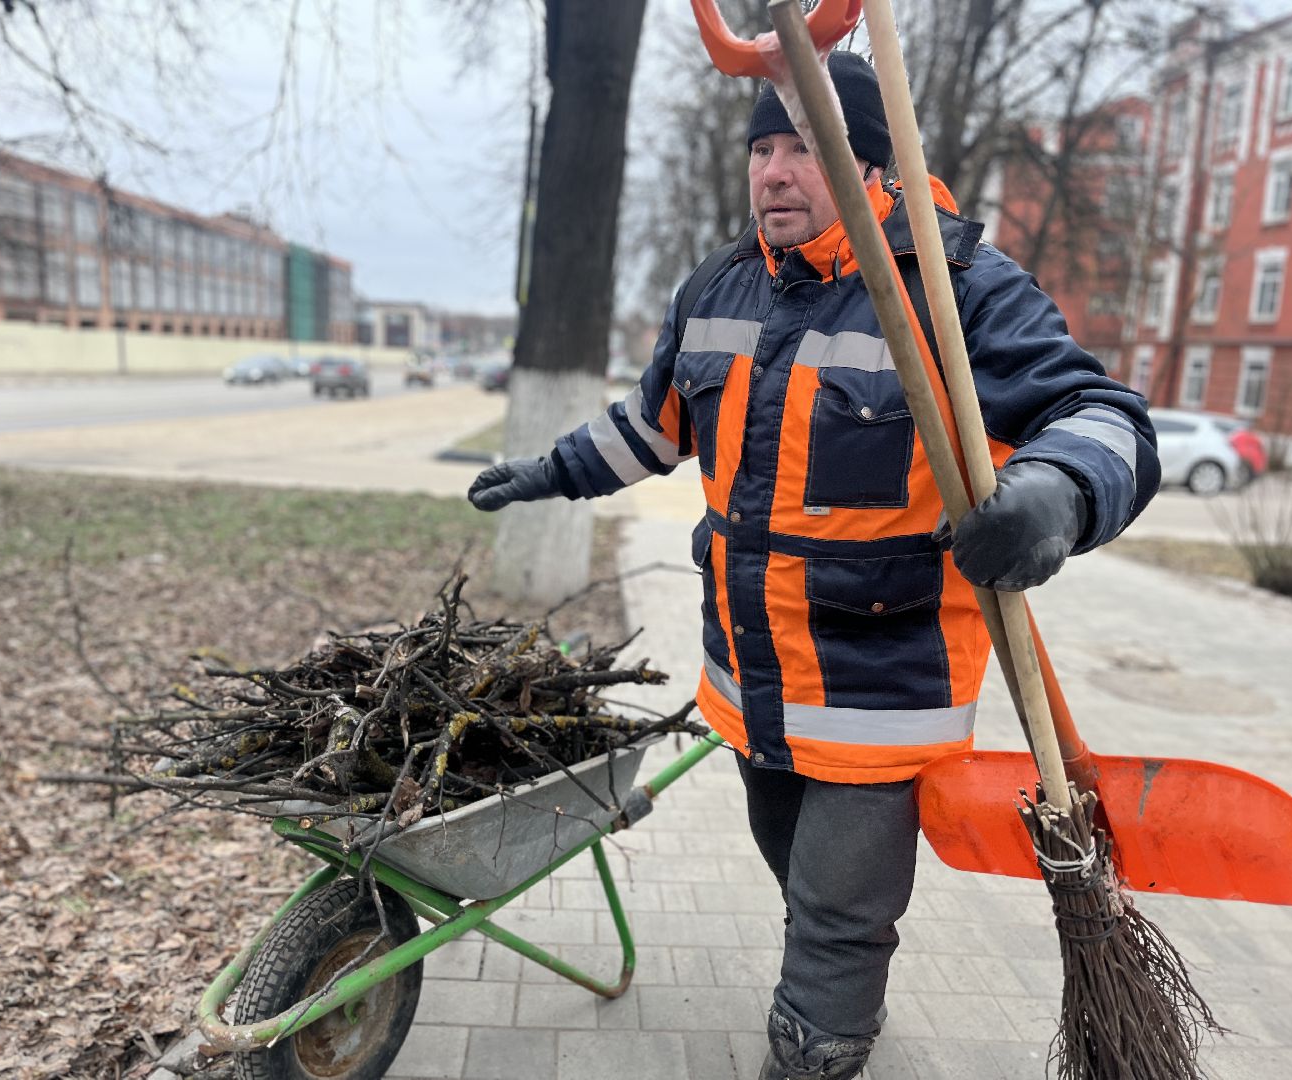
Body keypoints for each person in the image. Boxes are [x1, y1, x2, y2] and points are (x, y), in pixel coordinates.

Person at [468, 52, 1159, 1080]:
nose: (775, 173)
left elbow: (1102, 416)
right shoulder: (718, 283)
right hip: (750, 685)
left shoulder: (956, 283)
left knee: (836, 924)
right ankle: (828, 979)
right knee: (800, 883)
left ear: (872, 166)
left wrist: (1059, 491)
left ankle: (819, 1045)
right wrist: (549, 470)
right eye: (763, 148)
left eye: (802, 148)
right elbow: (651, 428)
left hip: (878, 689)